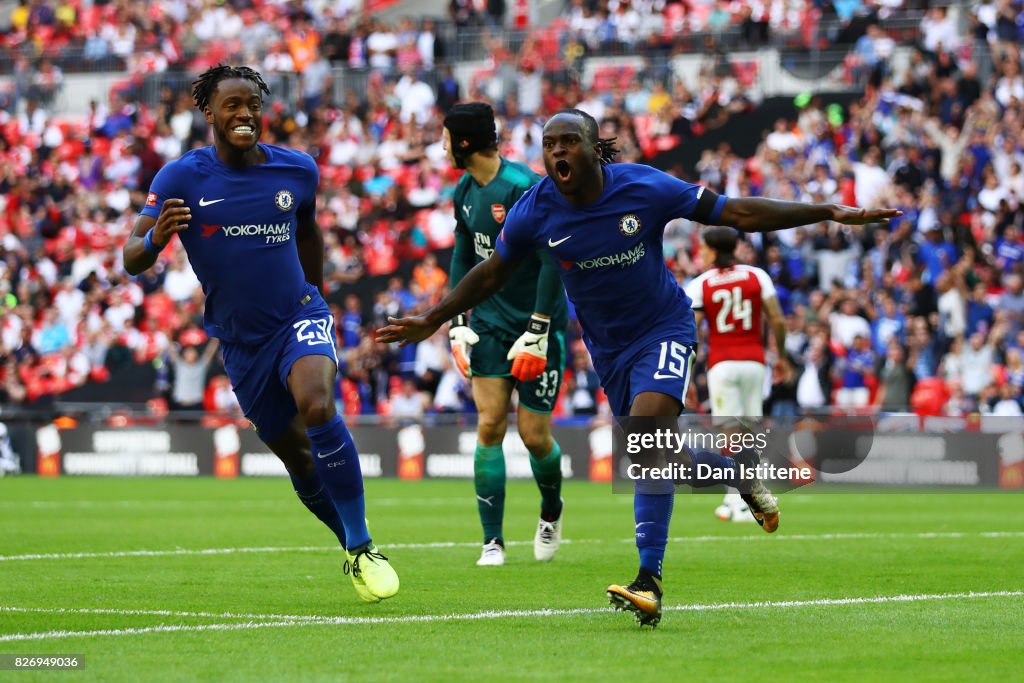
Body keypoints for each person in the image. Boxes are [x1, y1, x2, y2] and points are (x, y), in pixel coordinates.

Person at [376, 108, 899, 627]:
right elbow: (491, 273)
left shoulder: (643, 187)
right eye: (549, 143)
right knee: (661, 453)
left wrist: (826, 210)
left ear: (593, 147)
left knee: (647, 445)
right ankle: (738, 475)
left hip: (664, 329)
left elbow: (736, 213)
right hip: (609, 351)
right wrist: (433, 318)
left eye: (569, 142)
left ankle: (648, 581)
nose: (558, 151)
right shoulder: (535, 210)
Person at [123, 65, 399, 603]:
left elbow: (310, 230)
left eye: (253, 104)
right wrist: (154, 239)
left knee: (317, 404)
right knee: (297, 457)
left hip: (298, 316)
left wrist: (317, 302)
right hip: (240, 341)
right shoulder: (180, 178)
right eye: (232, 105)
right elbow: (132, 258)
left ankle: (365, 546)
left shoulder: (297, 171)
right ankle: (349, 546)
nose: (245, 114)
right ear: (209, 112)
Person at [442, 102, 569, 567]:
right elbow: (461, 253)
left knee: (535, 436)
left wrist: (539, 327)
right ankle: (492, 540)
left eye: (445, 137)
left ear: (464, 142)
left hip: (538, 324)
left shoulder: (523, 188)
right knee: (490, 423)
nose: (441, 145)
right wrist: (458, 321)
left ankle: (551, 511)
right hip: (490, 324)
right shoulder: (464, 190)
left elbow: (552, 260)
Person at [684, 226, 786, 523]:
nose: (700, 254)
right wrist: (780, 356)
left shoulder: (701, 284)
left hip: (723, 364)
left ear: (713, 251)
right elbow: (777, 320)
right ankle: (743, 496)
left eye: (703, 249)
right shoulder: (757, 275)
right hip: (755, 362)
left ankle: (739, 499)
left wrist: (688, 375)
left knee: (729, 432)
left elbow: (694, 333)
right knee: (751, 429)